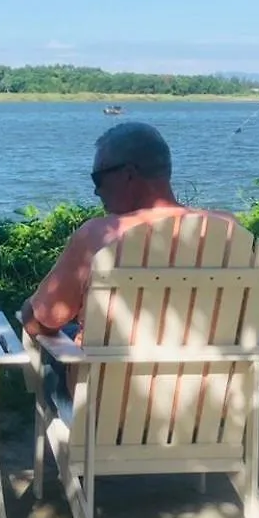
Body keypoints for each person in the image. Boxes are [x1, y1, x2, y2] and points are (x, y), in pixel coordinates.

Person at [20, 122, 238, 393]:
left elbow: (39, 320)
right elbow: (250, 321)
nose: (96, 191)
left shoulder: (98, 236)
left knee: (40, 333)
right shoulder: (228, 230)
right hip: (206, 406)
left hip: (110, 412)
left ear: (128, 175)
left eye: (98, 178)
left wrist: (32, 309)